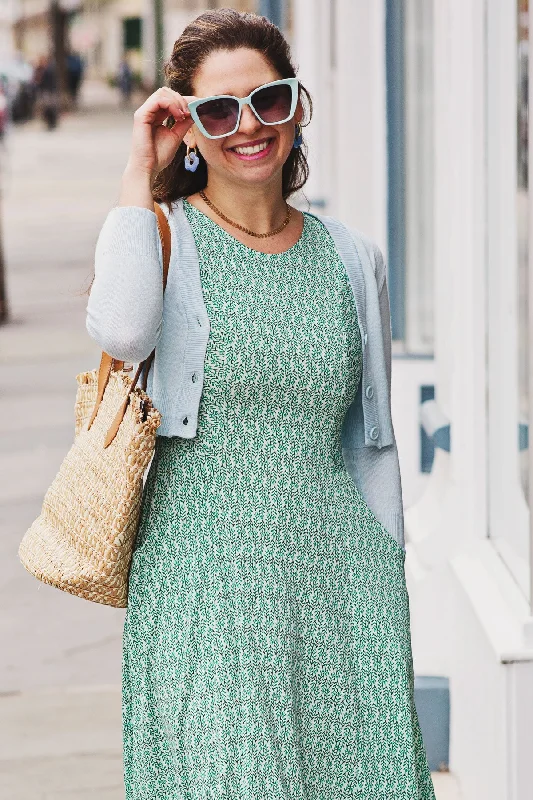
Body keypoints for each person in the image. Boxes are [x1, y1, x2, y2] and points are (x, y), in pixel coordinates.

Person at [86, 8, 436, 798]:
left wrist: (389, 581)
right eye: (217, 110)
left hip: (340, 585)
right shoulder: (162, 237)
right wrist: (137, 179)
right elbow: (121, 329)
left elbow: (369, 444)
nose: (248, 126)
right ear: (188, 127)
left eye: (267, 100)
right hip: (207, 588)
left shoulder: (352, 258)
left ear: (297, 105)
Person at [33, 54, 59, 130]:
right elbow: (37, 81)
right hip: (44, 91)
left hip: (50, 91)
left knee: (51, 107)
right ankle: (49, 123)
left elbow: (53, 80)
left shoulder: (49, 69)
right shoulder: (39, 69)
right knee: (46, 108)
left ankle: (53, 123)